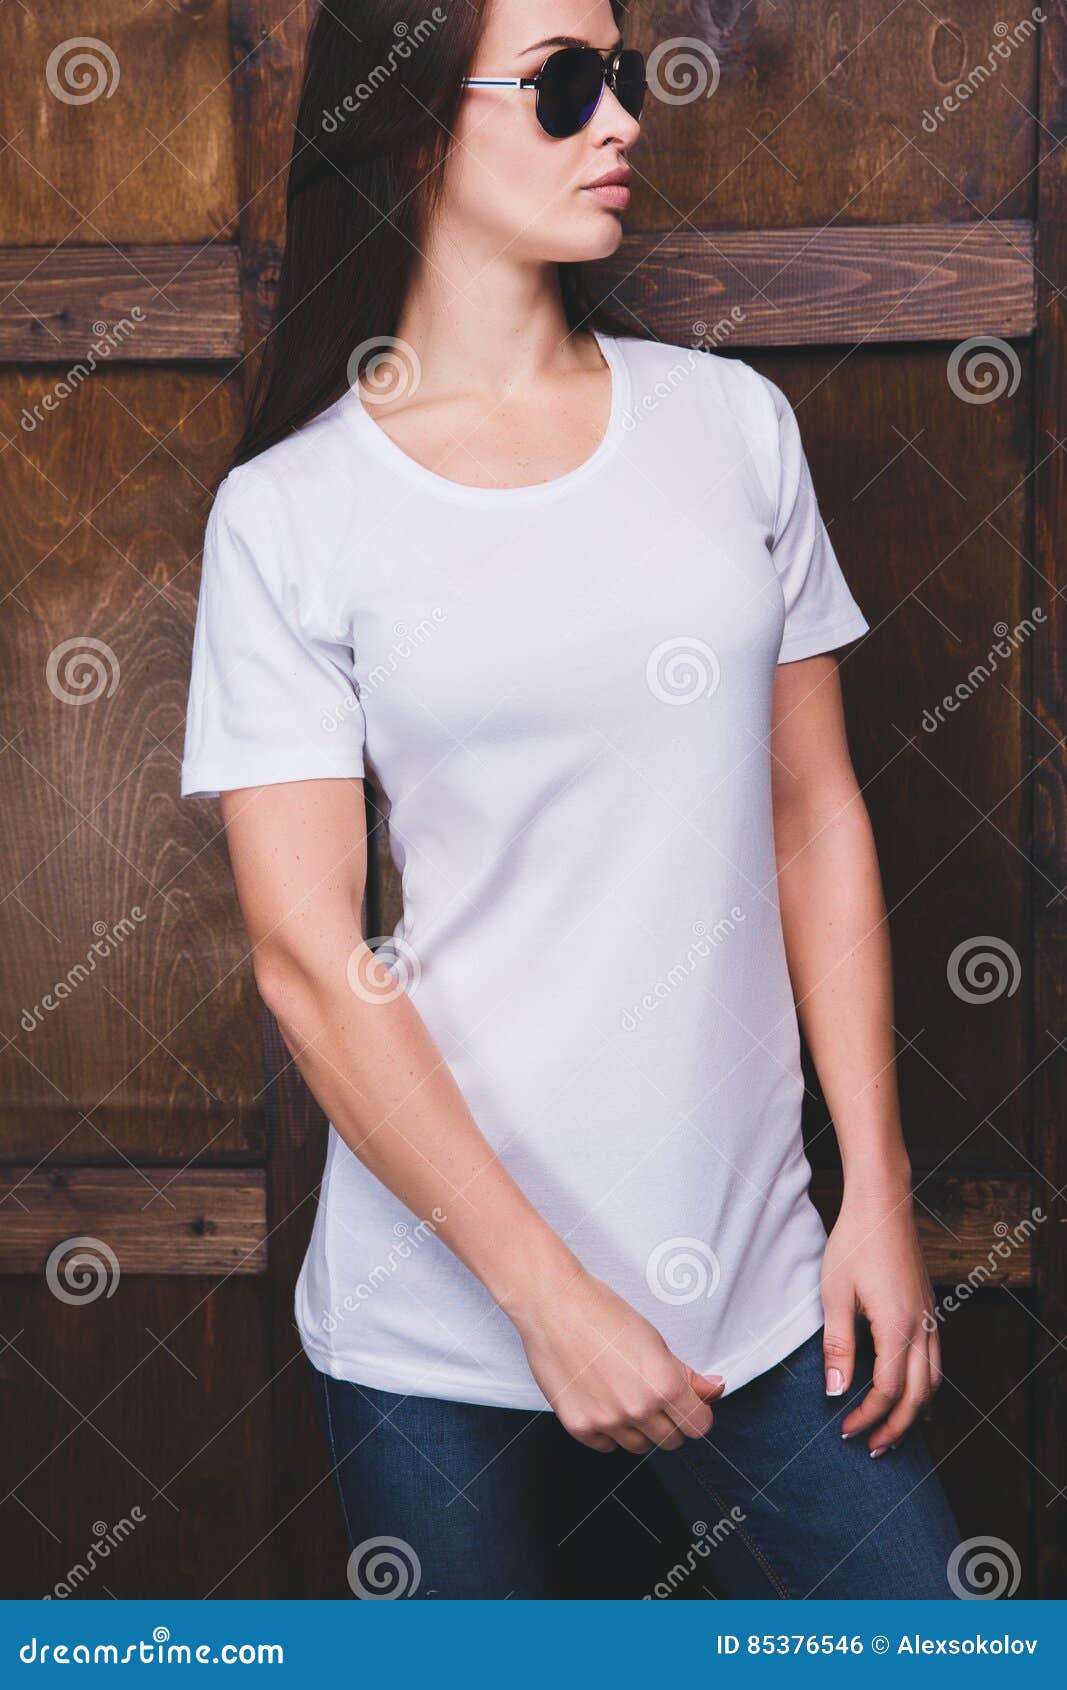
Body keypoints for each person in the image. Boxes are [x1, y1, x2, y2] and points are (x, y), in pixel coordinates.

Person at [180, 0, 962, 1598]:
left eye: (621, 78)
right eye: (565, 85)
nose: (626, 119)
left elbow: (812, 818)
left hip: (761, 1296)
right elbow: (307, 956)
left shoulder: (731, 428)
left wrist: (874, 1193)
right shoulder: (290, 516)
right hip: (437, 1328)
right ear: (413, 127)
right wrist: (549, 1300)